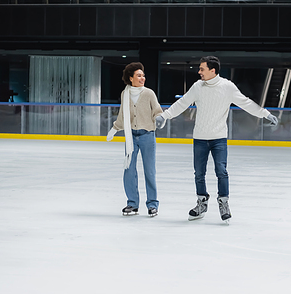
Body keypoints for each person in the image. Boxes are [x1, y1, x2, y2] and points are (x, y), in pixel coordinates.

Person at [155, 56, 278, 223]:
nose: (199, 72)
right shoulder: (198, 87)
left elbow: (245, 103)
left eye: (202, 69)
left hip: (219, 138)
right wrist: (165, 116)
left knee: (221, 171)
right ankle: (202, 203)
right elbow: (182, 103)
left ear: (213, 70)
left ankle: (224, 203)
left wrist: (265, 114)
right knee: (199, 173)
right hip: (200, 138)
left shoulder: (227, 87)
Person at [107, 62, 163, 217]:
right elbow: (122, 115)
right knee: (129, 170)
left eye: (143, 75)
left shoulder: (149, 93)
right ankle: (132, 203)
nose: (142, 78)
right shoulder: (125, 94)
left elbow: (157, 111)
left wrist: (160, 118)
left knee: (149, 171)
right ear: (131, 78)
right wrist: (115, 128)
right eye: (139, 75)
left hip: (147, 136)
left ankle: (152, 204)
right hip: (130, 136)